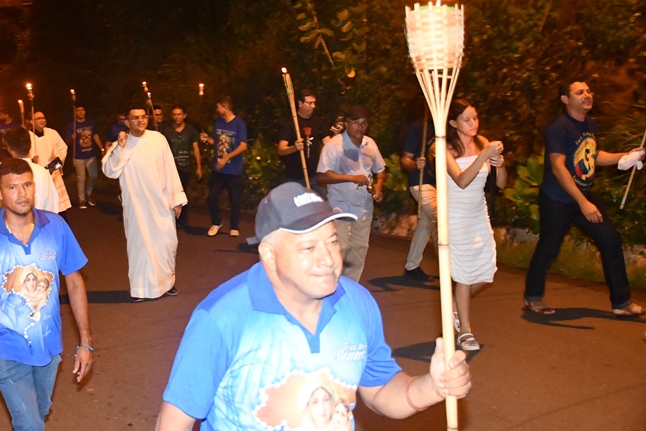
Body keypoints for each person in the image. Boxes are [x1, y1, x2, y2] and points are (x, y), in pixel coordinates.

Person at [156, 182, 471, 430]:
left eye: (332, 241)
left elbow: (379, 391)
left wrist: (433, 387)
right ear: (269, 255)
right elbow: (174, 422)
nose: (329, 259)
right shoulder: (223, 318)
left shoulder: (356, 303)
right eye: (308, 247)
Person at [0, 158, 94, 431]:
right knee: (31, 425)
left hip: (49, 347)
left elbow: (75, 282)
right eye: (12, 187)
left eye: (27, 185)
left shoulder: (56, 227)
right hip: (6, 347)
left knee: (38, 413)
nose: (22, 193)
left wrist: (86, 343)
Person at [523, 81, 645, 316]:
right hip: (557, 199)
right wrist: (583, 203)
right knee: (549, 248)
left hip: (582, 196)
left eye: (588, 91)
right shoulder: (558, 128)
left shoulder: (590, 124)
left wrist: (625, 157)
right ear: (565, 100)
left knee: (610, 240)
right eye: (579, 92)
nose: (587, 95)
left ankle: (622, 303)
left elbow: (593, 155)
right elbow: (558, 168)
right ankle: (533, 296)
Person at [441, 99, 507, 352]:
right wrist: (484, 155)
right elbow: (461, 180)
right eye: (466, 119)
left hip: (478, 214)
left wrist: (500, 165)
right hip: (456, 216)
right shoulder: (444, 148)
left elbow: (500, 184)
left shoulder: (482, 143)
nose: (473, 123)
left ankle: (455, 306)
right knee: (465, 274)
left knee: (487, 270)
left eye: (475, 118)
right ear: (453, 123)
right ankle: (465, 331)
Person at [102, 106, 187, 301]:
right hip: (137, 207)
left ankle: (167, 284)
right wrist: (121, 148)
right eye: (135, 118)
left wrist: (176, 198)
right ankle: (141, 289)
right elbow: (109, 171)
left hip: (160, 203)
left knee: (166, 243)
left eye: (143, 117)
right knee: (140, 247)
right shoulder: (122, 143)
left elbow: (169, 168)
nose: (140, 121)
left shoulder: (158, 139)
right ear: (127, 122)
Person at [316, 105, 386, 282]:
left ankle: (351, 287)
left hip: (364, 207)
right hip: (340, 206)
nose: (360, 127)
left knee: (360, 248)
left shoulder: (370, 144)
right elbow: (321, 176)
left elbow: (380, 170)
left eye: (364, 123)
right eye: (356, 123)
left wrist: (378, 188)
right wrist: (351, 178)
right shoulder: (334, 146)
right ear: (347, 123)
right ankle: (331, 283)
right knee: (341, 247)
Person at [0, 128, 66, 220]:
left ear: (9, 148)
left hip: (2, 227)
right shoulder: (43, 173)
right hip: (35, 226)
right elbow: (51, 207)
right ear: (30, 146)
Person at [200, 96, 249, 237]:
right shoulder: (219, 122)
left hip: (233, 170)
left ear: (225, 107)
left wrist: (226, 158)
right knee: (211, 198)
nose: (217, 110)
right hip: (219, 169)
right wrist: (207, 139)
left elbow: (243, 146)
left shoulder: (239, 124)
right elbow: (216, 141)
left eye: (219, 107)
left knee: (235, 200)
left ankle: (234, 227)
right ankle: (216, 222)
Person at [400, 113, 437, 282]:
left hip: (441, 184)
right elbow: (405, 160)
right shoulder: (419, 127)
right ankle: (451, 269)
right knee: (441, 221)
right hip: (421, 183)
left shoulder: (449, 126)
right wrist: (416, 164)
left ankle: (411, 266)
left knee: (426, 224)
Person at [276, 88, 334, 188]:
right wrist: (294, 148)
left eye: (314, 103)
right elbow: (281, 150)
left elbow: (329, 146)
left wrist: (336, 135)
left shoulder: (318, 122)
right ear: (300, 103)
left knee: (320, 198)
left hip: (314, 175)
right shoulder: (290, 123)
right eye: (310, 103)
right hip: (295, 177)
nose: (313, 106)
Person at [160, 106, 202, 230]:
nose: (177, 117)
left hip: (185, 166)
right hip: (170, 167)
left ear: (184, 115)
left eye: (179, 114)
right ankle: (169, 217)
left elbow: (196, 149)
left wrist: (199, 167)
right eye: (174, 114)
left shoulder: (191, 130)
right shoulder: (167, 131)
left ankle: (182, 218)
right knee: (169, 192)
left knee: (182, 192)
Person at [29, 111, 72, 212]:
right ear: (32, 122)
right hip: (37, 172)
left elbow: (63, 148)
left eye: (43, 118)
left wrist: (56, 159)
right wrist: (31, 160)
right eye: (38, 118)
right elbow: (23, 153)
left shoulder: (52, 132)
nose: (42, 120)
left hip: (53, 170)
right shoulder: (28, 136)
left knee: (58, 205)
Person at [65, 105, 104, 208]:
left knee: (93, 176)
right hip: (78, 156)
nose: (80, 112)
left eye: (82, 110)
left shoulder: (90, 123)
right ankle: (82, 199)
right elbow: (67, 142)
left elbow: (95, 135)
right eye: (78, 110)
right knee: (81, 178)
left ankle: (88, 192)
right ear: (75, 112)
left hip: (90, 155)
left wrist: (101, 148)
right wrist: (71, 138)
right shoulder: (71, 125)